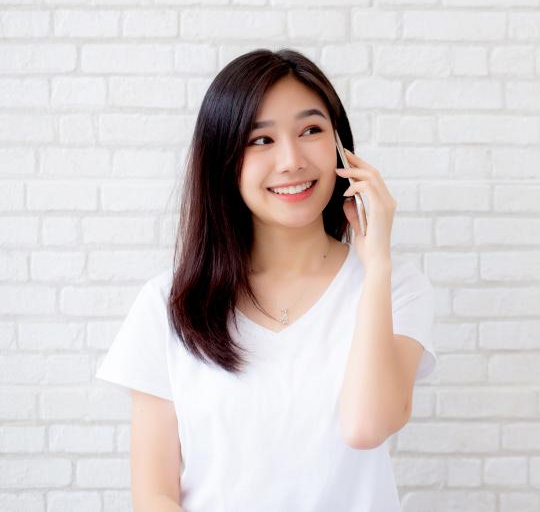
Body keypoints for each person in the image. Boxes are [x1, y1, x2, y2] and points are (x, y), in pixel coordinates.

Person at [95, 48, 437, 511]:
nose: (291, 160)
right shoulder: (169, 303)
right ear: (224, 159)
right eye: (261, 140)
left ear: (342, 148)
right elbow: (155, 494)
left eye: (311, 130)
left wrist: (376, 265)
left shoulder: (394, 288)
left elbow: (365, 427)